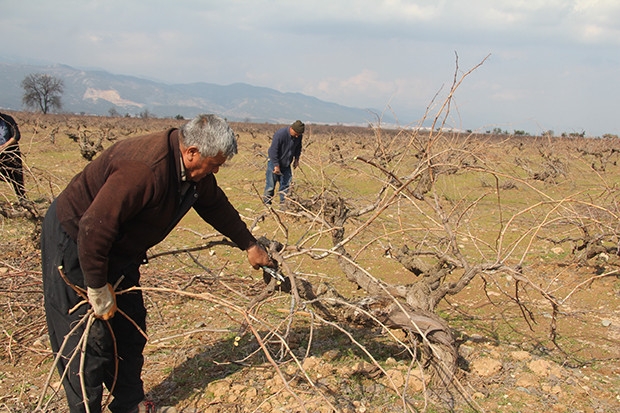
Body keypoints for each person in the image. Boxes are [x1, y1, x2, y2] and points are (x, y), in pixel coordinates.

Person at [40, 114, 273, 413]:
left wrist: (249, 244)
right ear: (192, 153)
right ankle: (86, 407)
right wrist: (97, 287)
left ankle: (128, 402)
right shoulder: (143, 170)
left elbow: (215, 205)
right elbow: (93, 229)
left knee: (130, 325)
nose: (216, 170)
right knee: (85, 338)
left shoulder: (192, 173)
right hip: (75, 239)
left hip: (118, 247)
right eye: (214, 164)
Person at [263, 120, 304, 207]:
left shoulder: (298, 136)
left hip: (286, 165)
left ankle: (283, 206)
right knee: (270, 186)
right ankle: (267, 205)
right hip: (274, 163)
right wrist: (276, 165)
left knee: (286, 186)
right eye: (296, 133)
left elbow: (298, 148)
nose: (297, 136)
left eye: (299, 134)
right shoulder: (280, 134)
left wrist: (296, 159)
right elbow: (273, 151)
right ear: (291, 129)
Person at [0, 111, 26, 203]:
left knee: (17, 177)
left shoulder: (8, 120)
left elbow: (16, 136)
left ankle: (22, 199)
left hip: (11, 154)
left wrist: (4, 146)